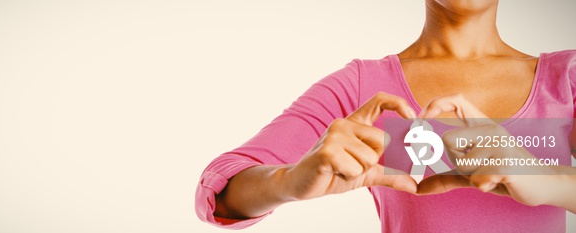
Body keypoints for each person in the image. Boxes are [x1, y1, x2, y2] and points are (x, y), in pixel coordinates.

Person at [195, 0, 576, 232]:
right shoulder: (363, 86)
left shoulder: (566, 78)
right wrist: (290, 179)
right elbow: (220, 191)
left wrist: (547, 177)